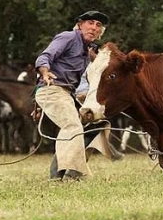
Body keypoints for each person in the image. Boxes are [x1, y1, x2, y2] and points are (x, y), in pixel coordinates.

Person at [35, 10, 109, 180]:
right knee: (73, 126)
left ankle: (59, 173)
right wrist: (45, 72)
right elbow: (45, 56)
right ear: (80, 25)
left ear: (100, 32)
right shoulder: (68, 37)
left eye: (98, 25)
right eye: (90, 23)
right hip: (52, 88)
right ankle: (73, 174)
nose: (94, 28)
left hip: (66, 93)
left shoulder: (89, 51)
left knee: (96, 125)